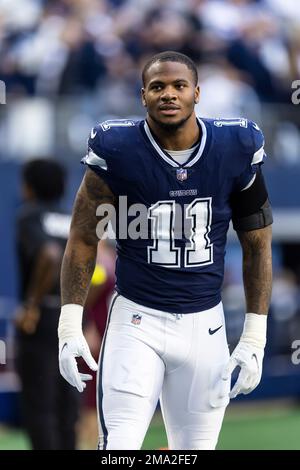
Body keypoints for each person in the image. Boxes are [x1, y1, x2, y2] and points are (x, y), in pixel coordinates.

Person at [58, 51, 273, 450]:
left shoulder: (236, 144)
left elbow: (257, 242)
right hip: (136, 320)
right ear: (143, 95)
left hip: (205, 325)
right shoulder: (117, 147)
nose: (169, 94)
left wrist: (255, 336)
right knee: (118, 448)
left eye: (179, 85)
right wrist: (69, 323)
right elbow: (84, 236)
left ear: (197, 93)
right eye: (157, 86)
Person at [16, 159, 79, 449]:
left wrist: (31, 305)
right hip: (70, 316)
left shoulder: (29, 216)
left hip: (40, 320)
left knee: (40, 406)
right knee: (67, 405)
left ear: (29, 187)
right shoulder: (71, 219)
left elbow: (50, 255)